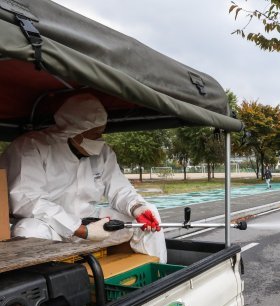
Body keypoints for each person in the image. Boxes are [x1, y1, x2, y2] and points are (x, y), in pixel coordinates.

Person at [0, 93, 167, 263]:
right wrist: (78, 229)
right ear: (73, 130)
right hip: (50, 227)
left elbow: (120, 189)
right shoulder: (31, 147)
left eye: (101, 134)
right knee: (27, 231)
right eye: (94, 135)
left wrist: (137, 207)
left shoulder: (103, 153)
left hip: (92, 223)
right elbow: (28, 200)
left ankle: (160, 274)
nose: (100, 140)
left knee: (146, 217)